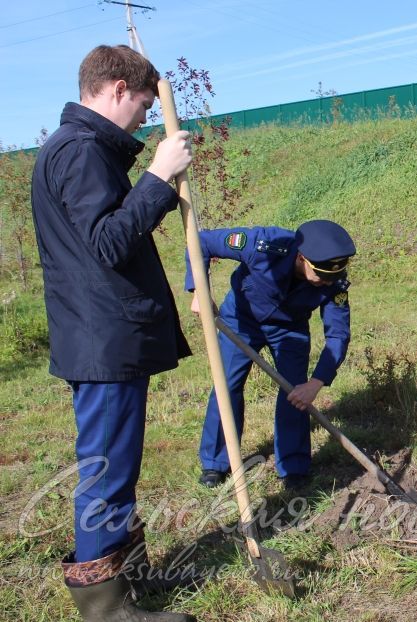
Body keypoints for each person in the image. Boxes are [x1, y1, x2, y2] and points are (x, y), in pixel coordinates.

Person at [31, 45, 196, 620]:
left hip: (103, 335)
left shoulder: (81, 151)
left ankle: (127, 580)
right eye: (145, 105)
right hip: (102, 339)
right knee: (104, 470)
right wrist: (156, 178)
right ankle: (105, 610)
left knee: (117, 466)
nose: (146, 117)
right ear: (119, 89)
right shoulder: (78, 153)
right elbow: (107, 243)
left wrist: (149, 187)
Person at [185, 220, 355, 490]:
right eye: (321, 274)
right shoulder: (264, 245)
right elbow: (202, 242)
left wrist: (316, 382)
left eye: (332, 277)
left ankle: (293, 467)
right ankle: (215, 462)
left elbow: (338, 336)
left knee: (295, 393)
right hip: (241, 319)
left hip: (289, 329)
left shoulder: (334, 284)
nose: (327, 281)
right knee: (226, 385)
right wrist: (198, 290)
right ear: (302, 257)